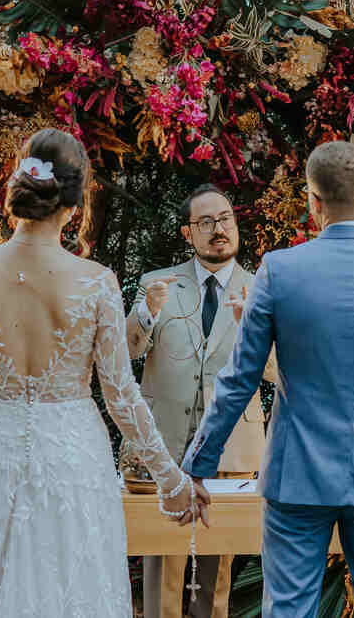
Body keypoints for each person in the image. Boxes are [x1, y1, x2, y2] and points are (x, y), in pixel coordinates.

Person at [0, 129, 210, 617]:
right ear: (75, 199)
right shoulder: (96, 282)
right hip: (73, 458)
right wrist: (170, 478)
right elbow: (121, 397)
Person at [181, 140, 354, 617]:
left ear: (313, 200)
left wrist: (198, 463)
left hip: (297, 476)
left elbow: (239, 378)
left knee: (288, 611)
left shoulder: (279, 271)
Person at [127, 184, 278, 618]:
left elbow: (277, 372)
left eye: (226, 218)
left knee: (218, 575)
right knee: (164, 566)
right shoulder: (156, 283)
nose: (218, 229)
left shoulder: (262, 289)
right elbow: (129, 350)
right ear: (186, 232)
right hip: (167, 444)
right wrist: (146, 313)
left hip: (233, 447)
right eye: (206, 222)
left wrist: (253, 328)